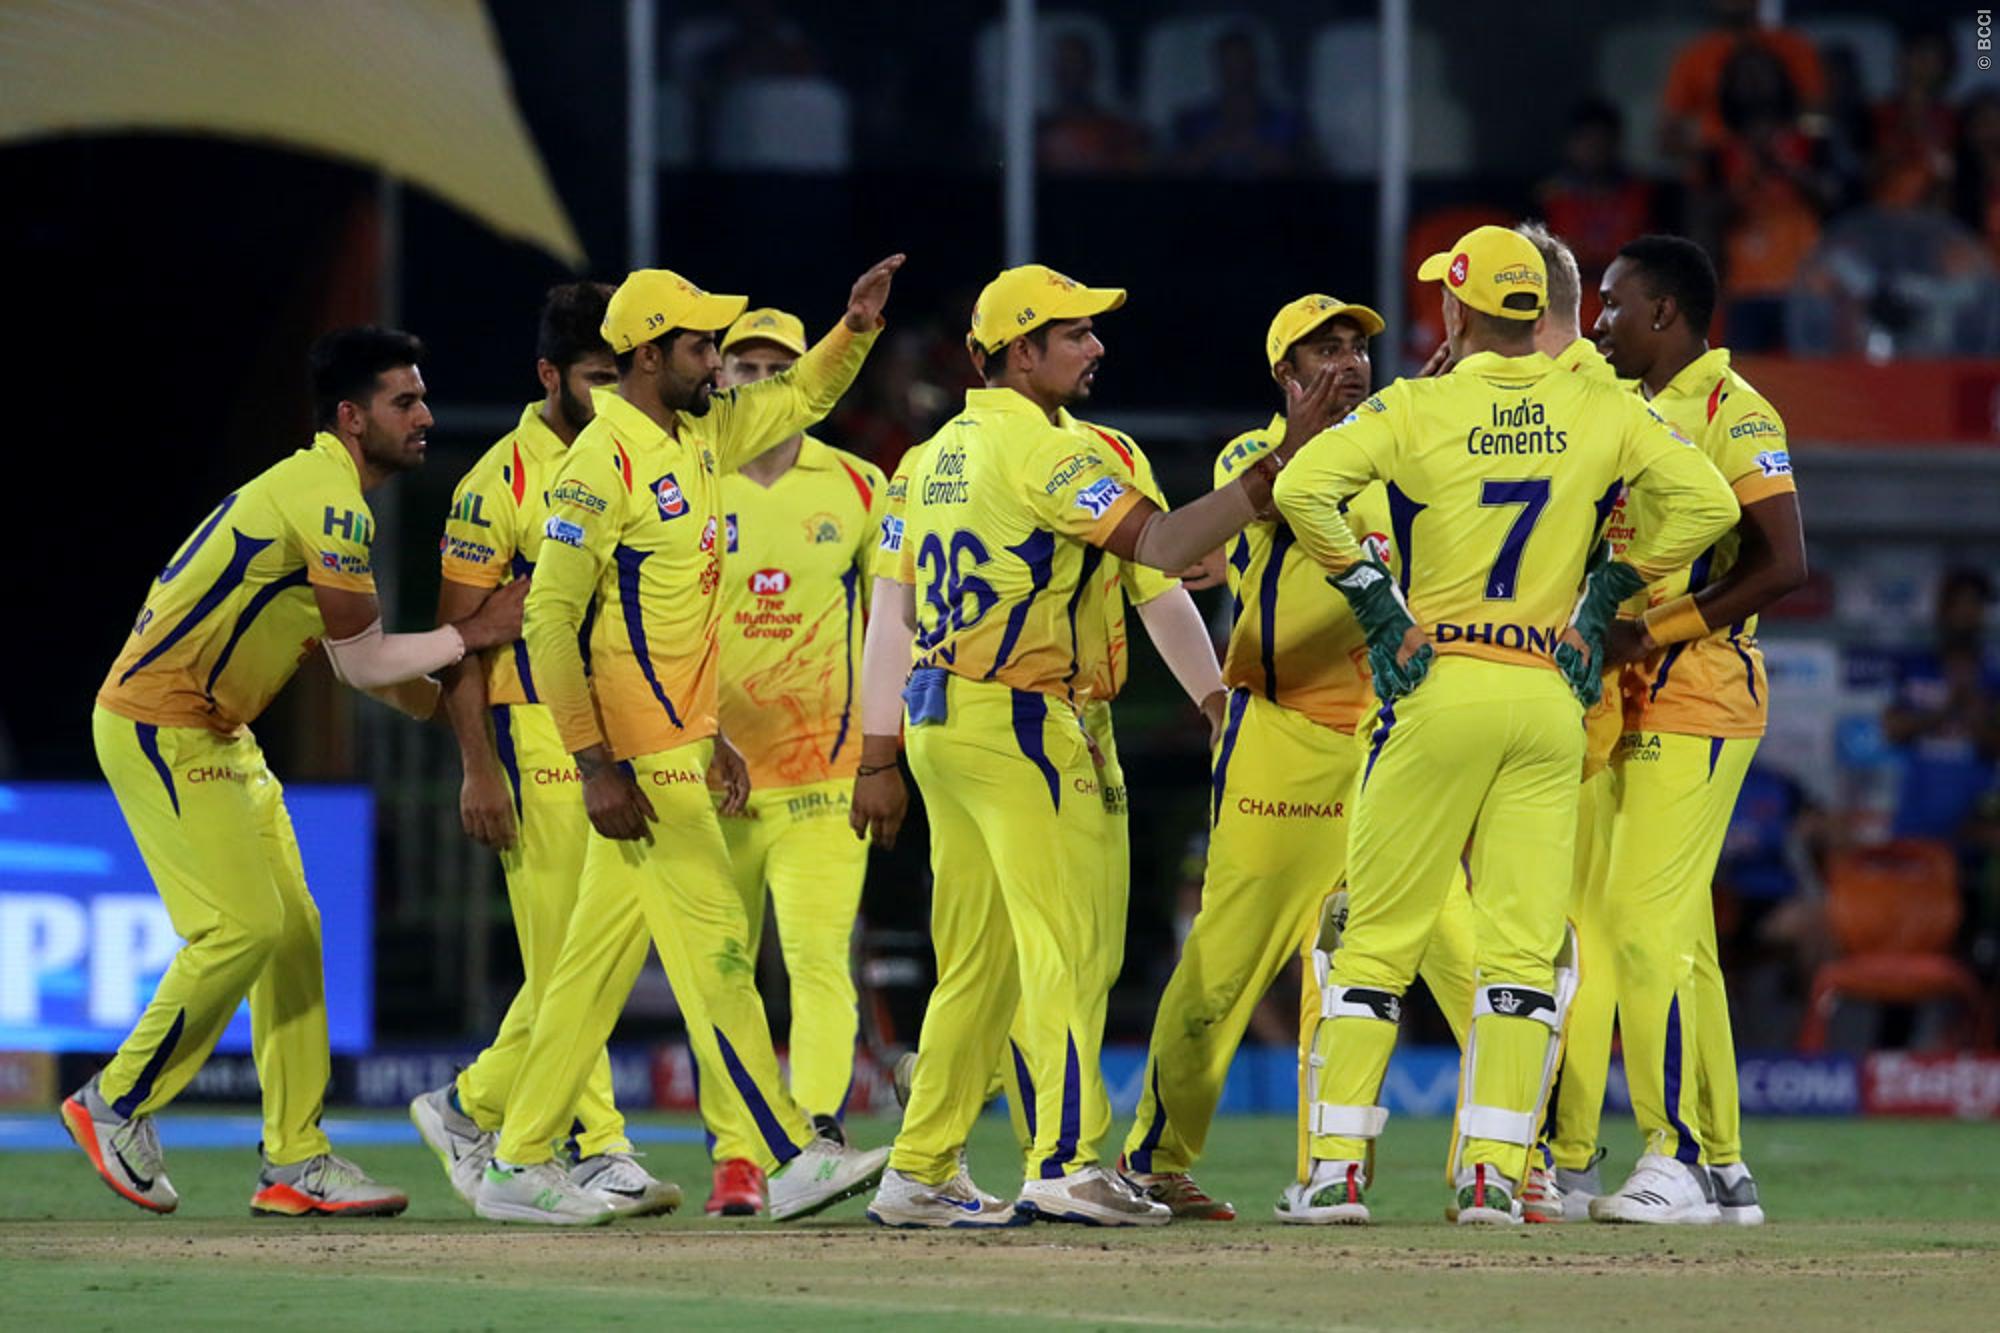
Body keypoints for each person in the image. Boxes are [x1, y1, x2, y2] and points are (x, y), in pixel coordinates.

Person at [1272, 224, 1739, 1225]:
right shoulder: (1600, 405)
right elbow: (1708, 504)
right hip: (1545, 692)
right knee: (1523, 955)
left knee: (1374, 941)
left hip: (1435, 681)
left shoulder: (1418, 404)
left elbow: (1300, 487)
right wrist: (1605, 593)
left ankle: (1335, 1172)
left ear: (1457, 308)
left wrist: (1373, 600)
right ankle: (1491, 1173)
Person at [849, 263, 1300, 1227]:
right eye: (1076, 333)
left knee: (980, 960)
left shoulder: (925, 459)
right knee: (1065, 949)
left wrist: (878, 752)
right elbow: (1162, 554)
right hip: (1028, 721)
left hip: (941, 717)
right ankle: (1062, 1159)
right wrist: (1265, 481)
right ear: (1022, 352)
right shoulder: (1056, 453)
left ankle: (919, 1167)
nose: (1097, 346)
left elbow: (892, 612)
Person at [472, 257, 905, 1226]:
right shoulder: (598, 466)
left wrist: (854, 327)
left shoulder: (699, 436)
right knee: (719, 961)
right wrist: (595, 763)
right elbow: (548, 620)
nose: (717, 362)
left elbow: (800, 395)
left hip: (678, 745)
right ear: (647, 355)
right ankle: (790, 1149)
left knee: (585, 975)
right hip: (637, 759)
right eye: (702, 346)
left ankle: (516, 1159)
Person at [66, 327, 527, 1216]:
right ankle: (114, 1100)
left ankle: (295, 1159)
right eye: (405, 401)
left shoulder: (321, 492)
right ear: (352, 417)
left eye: (423, 398)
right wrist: (475, 633)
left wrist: (466, 717)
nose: (426, 416)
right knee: (240, 928)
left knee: (294, 933)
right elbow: (365, 662)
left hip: (218, 734)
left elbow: (358, 662)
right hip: (159, 724)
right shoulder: (329, 502)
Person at [1112, 294, 1477, 1226]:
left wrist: (1434, 421)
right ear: (1285, 374)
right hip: (1282, 737)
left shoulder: (1401, 453)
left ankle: (1461, 1164)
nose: (1349, 361)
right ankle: (1153, 1161)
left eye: (1358, 347)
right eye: (1325, 351)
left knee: (1459, 957)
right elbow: (1274, 504)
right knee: (1226, 962)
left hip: (1395, 738)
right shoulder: (1256, 457)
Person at [408, 284, 680, 1219]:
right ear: (548, 375)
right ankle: (593, 1144)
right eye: (596, 378)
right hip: (538, 738)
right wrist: (480, 768)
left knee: (601, 945)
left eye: (621, 376)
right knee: (572, 950)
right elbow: (457, 644)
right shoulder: (496, 485)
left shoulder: (644, 455)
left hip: (628, 732)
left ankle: (471, 1104)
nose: (613, 395)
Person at [1588, 233, 1810, 1224]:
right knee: (1674, 936)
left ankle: (1670, 1154)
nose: (1598, 323)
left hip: (1700, 690)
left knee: (1641, 923)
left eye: (1611, 304)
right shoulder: (1617, 404)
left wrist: (1653, 632)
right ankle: (1721, 1168)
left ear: (1663, 313)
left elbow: (1782, 563)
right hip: (1627, 696)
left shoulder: (1734, 410)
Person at [697, 305, 888, 1215]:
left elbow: (892, 627)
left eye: (781, 365)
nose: (763, 380)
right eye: (745, 366)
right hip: (713, 780)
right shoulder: (694, 482)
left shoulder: (857, 485)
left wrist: (885, 753)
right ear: (720, 379)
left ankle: (814, 1132)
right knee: (721, 968)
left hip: (825, 775)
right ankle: (738, 1155)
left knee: (819, 960)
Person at [1507, 222, 1629, 1223]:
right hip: (1540, 694)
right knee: (1549, 930)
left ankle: (1561, 1148)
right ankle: (1549, 1145)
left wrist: (1599, 619)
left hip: (1560, 701)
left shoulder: (1578, 401)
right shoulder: (1592, 395)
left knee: (1563, 934)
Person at [1535, 100, 1655, 330]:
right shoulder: (1549, 198)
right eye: (1587, 140)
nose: (1595, 149)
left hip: (1627, 310)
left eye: (1602, 140)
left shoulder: (1641, 196)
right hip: (1566, 310)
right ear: (1571, 143)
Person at [1170, 27, 1307, 178]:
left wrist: (1255, 148)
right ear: (1218, 68)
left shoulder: (1288, 122)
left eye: (1242, 63)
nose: (1237, 72)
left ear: (1255, 66)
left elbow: (1307, 171)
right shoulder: (1191, 122)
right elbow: (1172, 169)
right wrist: (1212, 147)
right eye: (1229, 64)